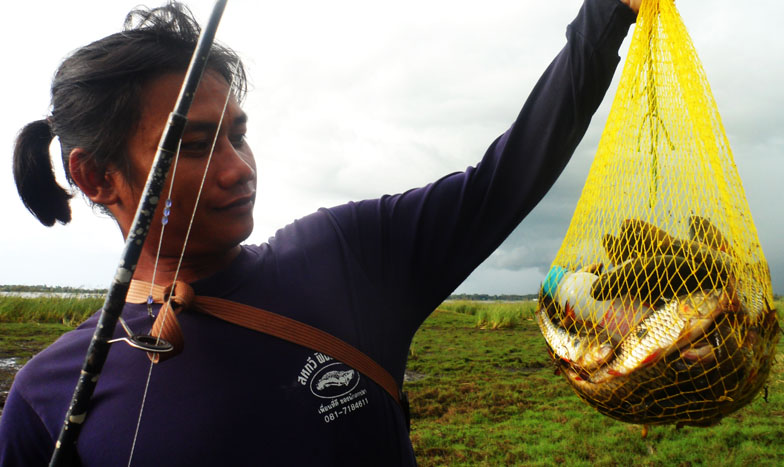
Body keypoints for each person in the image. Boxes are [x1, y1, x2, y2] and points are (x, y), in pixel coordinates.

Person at [1, 0, 640, 464]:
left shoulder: (348, 257)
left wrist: (606, 15)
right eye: (194, 145)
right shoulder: (46, 397)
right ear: (96, 177)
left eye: (238, 135)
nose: (237, 168)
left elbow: (503, 180)